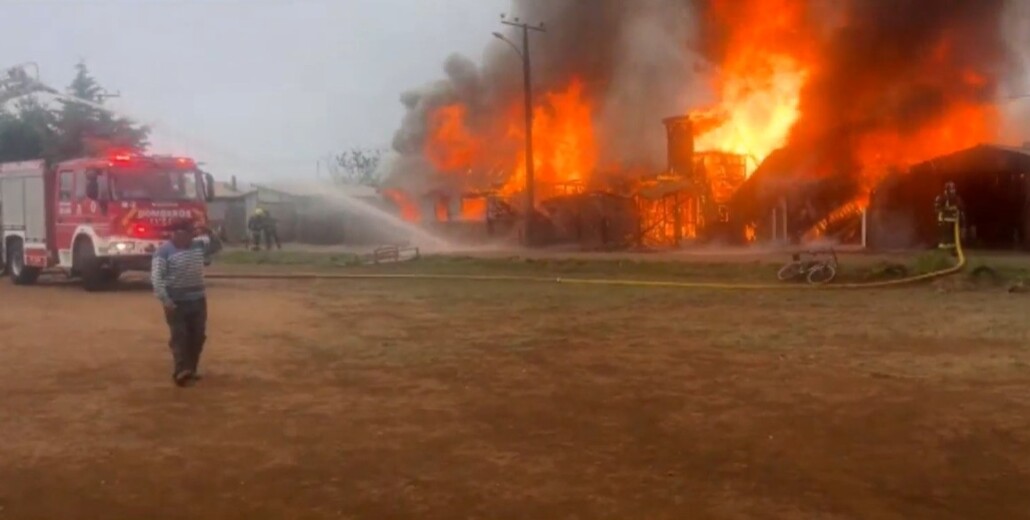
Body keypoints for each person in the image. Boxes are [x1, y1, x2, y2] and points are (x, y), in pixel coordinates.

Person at [151, 219, 223, 386]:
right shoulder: (163, 252)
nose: (191, 237)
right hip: (175, 302)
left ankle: (191, 368)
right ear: (175, 235)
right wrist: (166, 300)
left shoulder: (198, 245)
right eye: (187, 233)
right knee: (179, 336)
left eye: (192, 234)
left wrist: (210, 232)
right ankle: (181, 370)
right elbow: (156, 279)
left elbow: (217, 247)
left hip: (197, 299)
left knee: (198, 336)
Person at [934, 181, 965, 252]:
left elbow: (961, 209)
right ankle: (942, 251)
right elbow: (937, 209)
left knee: (954, 238)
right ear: (946, 190)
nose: (953, 191)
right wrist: (947, 209)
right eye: (951, 189)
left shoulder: (957, 199)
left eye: (954, 189)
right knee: (945, 238)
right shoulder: (940, 198)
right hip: (943, 221)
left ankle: (953, 250)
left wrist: (963, 224)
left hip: (955, 222)